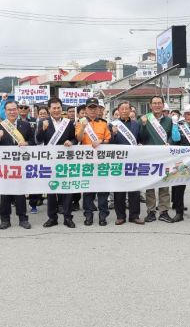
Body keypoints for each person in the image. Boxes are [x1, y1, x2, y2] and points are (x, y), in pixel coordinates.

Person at [0, 100, 36, 229]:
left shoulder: (25, 125)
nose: (12, 112)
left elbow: (33, 142)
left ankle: (23, 219)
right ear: (5, 112)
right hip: (5, 165)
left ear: (18, 110)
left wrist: (26, 144)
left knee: (20, 193)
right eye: (9, 110)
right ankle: (5, 220)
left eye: (14, 109)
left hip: (20, 165)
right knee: (5, 194)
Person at [36, 97, 78, 228]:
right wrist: (42, 129)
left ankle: (67, 217)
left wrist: (71, 142)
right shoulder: (44, 122)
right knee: (51, 190)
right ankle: (52, 217)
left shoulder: (68, 122)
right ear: (49, 110)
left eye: (58, 107)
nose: (56, 110)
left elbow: (74, 139)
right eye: (53, 108)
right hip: (50, 161)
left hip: (65, 161)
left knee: (67, 189)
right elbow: (38, 140)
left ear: (62, 108)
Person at [75, 97, 112, 226]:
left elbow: (109, 139)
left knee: (102, 190)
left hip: (102, 162)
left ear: (98, 109)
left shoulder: (103, 123)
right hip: (87, 162)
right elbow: (78, 139)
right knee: (88, 190)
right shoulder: (81, 122)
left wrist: (101, 141)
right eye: (90, 108)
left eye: (94, 108)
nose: (92, 110)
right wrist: (82, 128)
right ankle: (88, 215)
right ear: (86, 109)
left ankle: (103, 215)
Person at [139, 96, 174, 223]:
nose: (157, 105)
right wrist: (143, 125)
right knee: (150, 185)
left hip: (165, 157)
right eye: (154, 103)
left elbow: (171, 136)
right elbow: (141, 138)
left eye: (159, 103)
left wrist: (169, 143)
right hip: (150, 156)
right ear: (150, 105)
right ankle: (151, 211)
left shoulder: (169, 121)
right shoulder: (144, 119)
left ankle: (164, 211)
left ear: (163, 105)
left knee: (165, 184)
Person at [110, 101, 144, 225]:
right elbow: (109, 144)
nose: (124, 111)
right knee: (119, 190)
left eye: (126, 109)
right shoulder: (112, 125)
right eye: (122, 109)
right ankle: (120, 216)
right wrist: (113, 133)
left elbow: (140, 139)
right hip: (118, 161)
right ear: (118, 111)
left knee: (134, 189)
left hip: (133, 161)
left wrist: (141, 143)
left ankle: (134, 215)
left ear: (130, 110)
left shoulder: (136, 124)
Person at [170, 104, 190, 223]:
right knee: (179, 188)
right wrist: (174, 124)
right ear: (184, 116)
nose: (189, 116)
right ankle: (179, 213)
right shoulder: (179, 127)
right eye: (187, 114)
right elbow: (175, 139)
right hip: (181, 162)